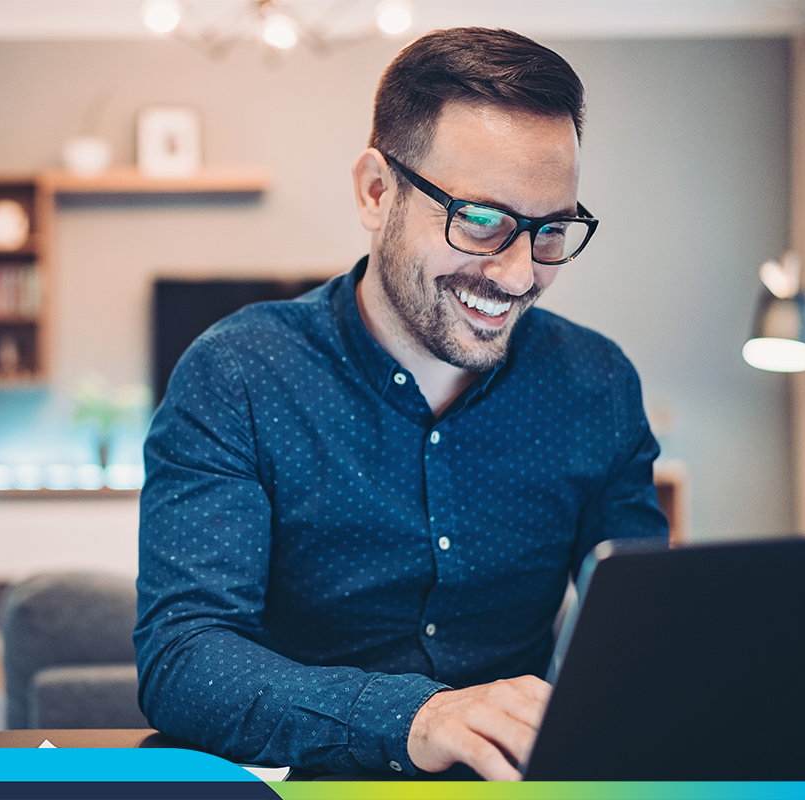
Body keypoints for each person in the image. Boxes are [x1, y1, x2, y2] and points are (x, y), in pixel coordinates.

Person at [134, 27, 669, 781]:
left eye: (551, 230)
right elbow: (183, 659)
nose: (519, 276)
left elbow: (642, 633)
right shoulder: (237, 374)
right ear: (376, 191)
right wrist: (413, 718)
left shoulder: (599, 383)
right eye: (482, 222)